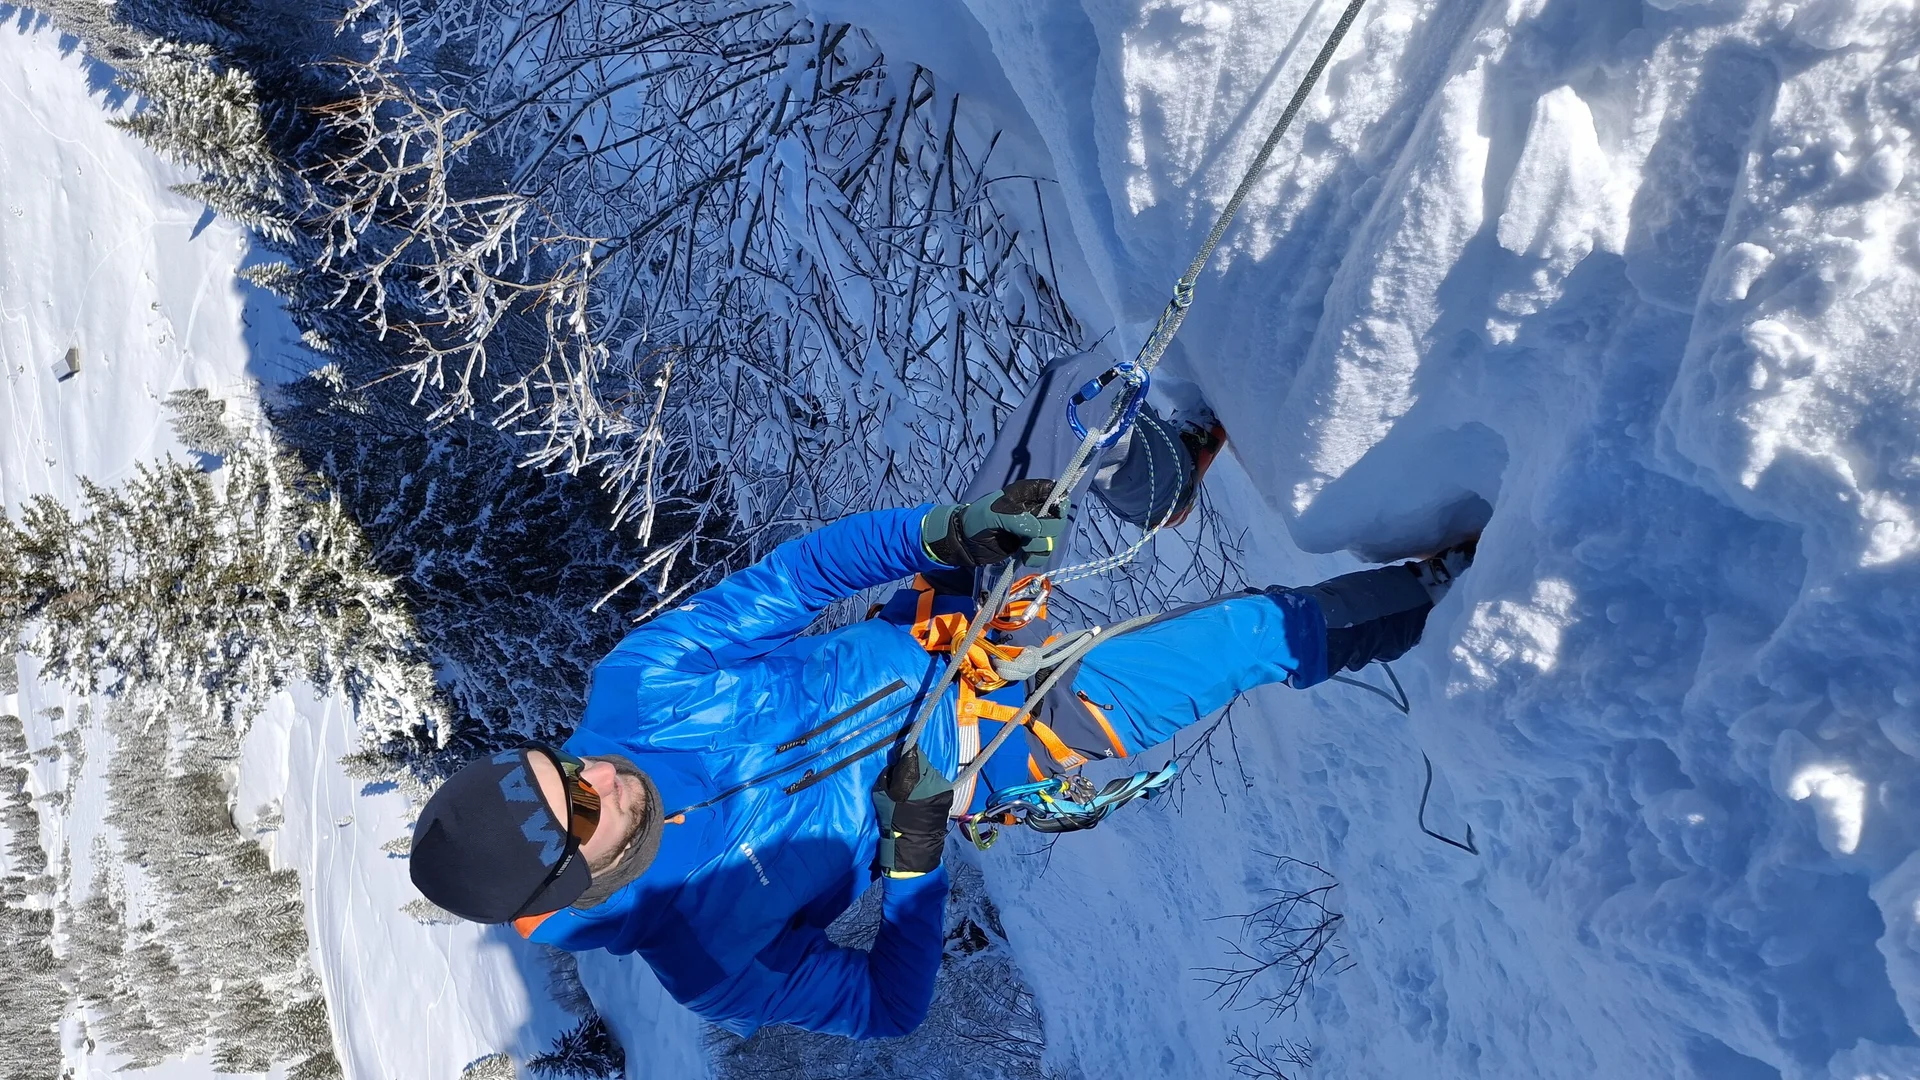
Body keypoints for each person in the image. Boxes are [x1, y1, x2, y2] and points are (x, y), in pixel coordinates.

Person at [407, 350, 1475, 1039]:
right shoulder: (706, 962)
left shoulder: (635, 693)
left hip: (947, 616)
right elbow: (889, 1008)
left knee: (1076, 394)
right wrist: (915, 851)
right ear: (565, 881)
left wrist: (942, 534)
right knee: (1250, 638)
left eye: (560, 763)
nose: (596, 772)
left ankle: (1177, 451)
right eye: (579, 810)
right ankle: (1445, 593)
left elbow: (797, 580)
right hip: (1002, 743)